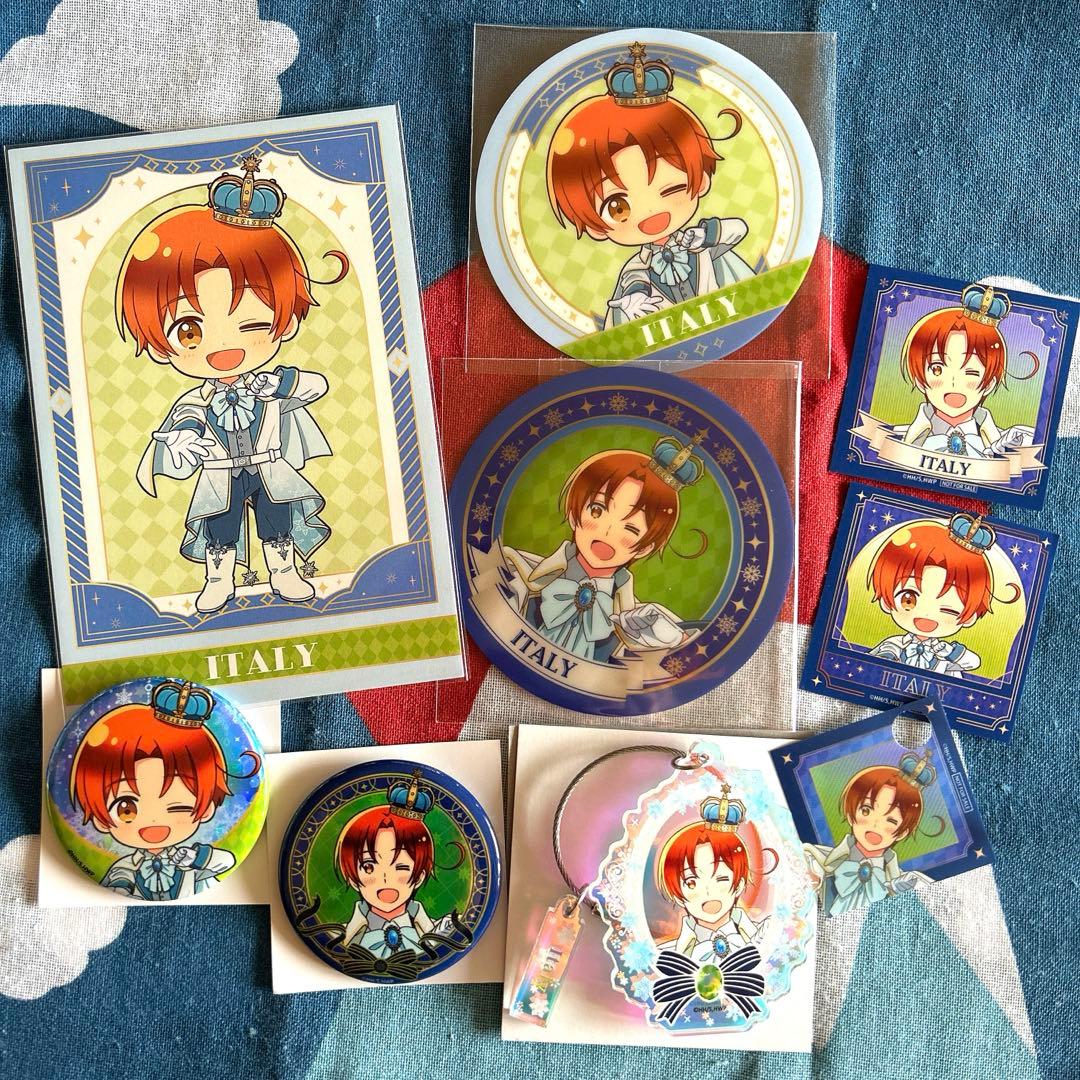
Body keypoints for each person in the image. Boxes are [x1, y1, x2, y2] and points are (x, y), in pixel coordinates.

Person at [121, 155, 348, 612]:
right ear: (163, 344)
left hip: (269, 466)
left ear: (284, 323)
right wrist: (184, 439)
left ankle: (284, 572)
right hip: (219, 472)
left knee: (278, 522)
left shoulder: (271, 384)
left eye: (252, 324)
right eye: (189, 331)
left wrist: (279, 385)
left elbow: (316, 386)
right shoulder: (197, 397)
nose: (224, 347)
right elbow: (184, 421)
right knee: (219, 528)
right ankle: (218, 580)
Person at [546, 43, 754, 329]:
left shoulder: (702, 246)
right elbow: (635, 282)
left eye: (672, 189)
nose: (651, 212)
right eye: (618, 208)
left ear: (702, 181)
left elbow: (738, 230)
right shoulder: (637, 269)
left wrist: (705, 235)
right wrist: (634, 299)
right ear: (596, 227)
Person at [501, 437, 707, 663]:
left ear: (645, 547)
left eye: (631, 528)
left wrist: (673, 638)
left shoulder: (640, 621)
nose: (607, 532)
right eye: (597, 511)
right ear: (574, 515)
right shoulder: (518, 572)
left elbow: (689, 659)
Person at [70, 680, 259, 901]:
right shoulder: (125, 868)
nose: (154, 822)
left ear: (207, 808)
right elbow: (116, 882)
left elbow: (227, 861)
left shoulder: (192, 860)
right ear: (101, 820)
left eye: (178, 806)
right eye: (126, 809)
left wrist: (196, 858)